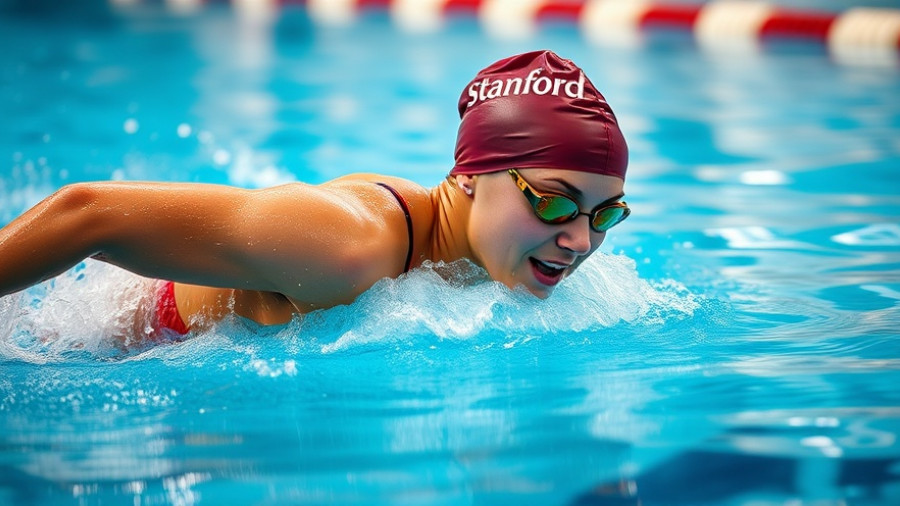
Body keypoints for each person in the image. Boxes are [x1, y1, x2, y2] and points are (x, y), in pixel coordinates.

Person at [0, 50, 630, 341]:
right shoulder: (348, 244)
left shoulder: (502, 255)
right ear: (469, 174)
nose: (579, 241)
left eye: (605, 214)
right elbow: (88, 212)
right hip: (109, 337)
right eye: (551, 201)